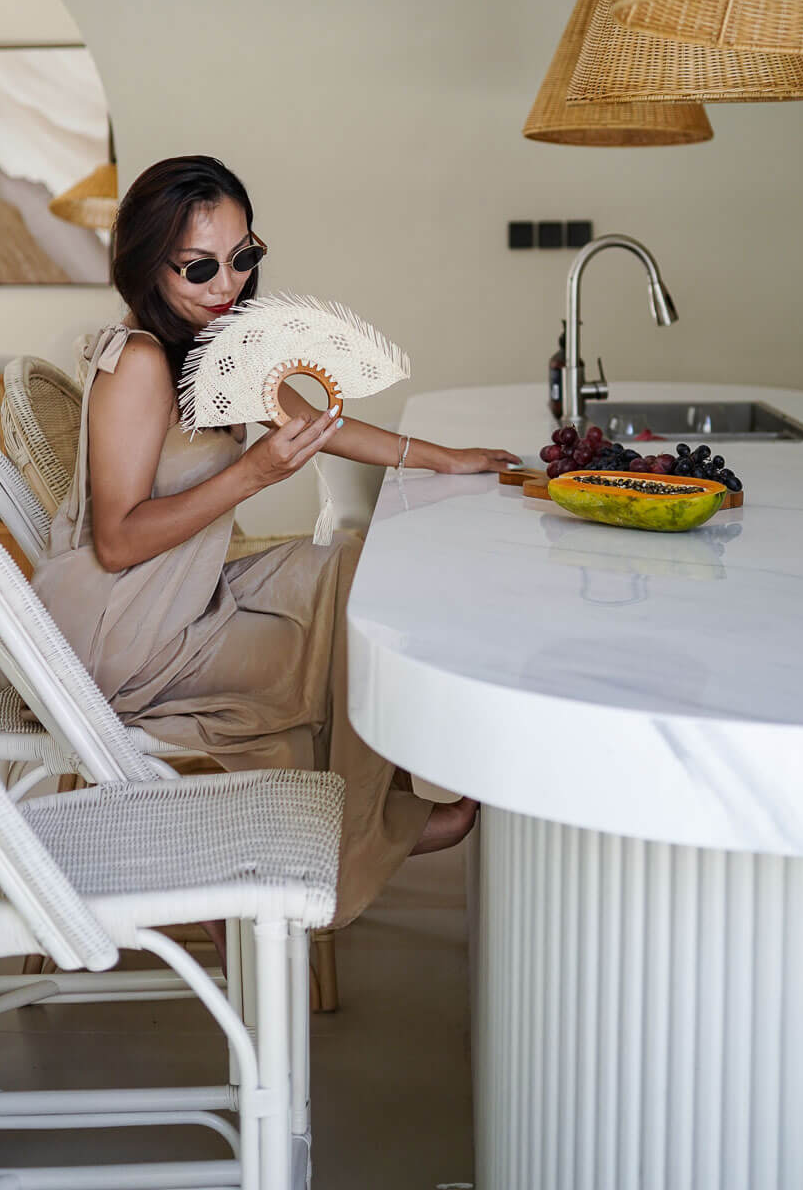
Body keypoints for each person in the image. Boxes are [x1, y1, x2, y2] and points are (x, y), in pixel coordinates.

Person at [33, 154, 521, 927]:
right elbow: (119, 542)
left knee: (362, 577)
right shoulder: (141, 364)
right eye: (200, 268)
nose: (228, 286)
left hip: (182, 596)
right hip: (123, 630)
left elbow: (312, 424)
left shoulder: (211, 345)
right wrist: (253, 474)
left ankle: (368, 820)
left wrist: (441, 457)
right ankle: (372, 834)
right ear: (144, 268)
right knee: (345, 640)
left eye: (244, 257)